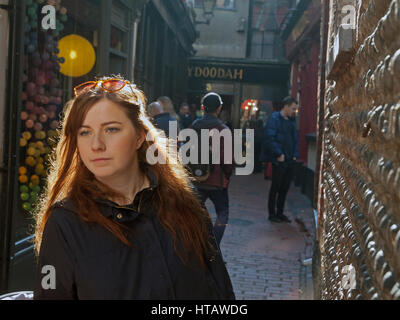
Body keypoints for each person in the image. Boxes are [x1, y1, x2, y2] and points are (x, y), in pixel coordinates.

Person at [33, 77, 235, 300]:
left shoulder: (184, 202)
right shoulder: (65, 221)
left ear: (139, 136)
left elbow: (220, 287)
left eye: (111, 129)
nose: (96, 145)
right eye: (85, 132)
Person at [190, 92, 233, 247]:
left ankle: (197, 244)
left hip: (196, 179)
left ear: (203, 107)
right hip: (217, 181)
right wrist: (227, 175)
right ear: (219, 108)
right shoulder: (223, 130)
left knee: (196, 213)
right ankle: (213, 245)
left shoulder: (193, 126)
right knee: (223, 213)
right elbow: (227, 161)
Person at [260, 96, 299, 223]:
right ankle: (272, 214)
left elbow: (295, 139)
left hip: (289, 160)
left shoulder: (292, 121)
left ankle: (280, 213)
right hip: (279, 160)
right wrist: (279, 154)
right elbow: (269, 138)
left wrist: (295, 154)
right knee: (275, 188)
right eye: (293, 108)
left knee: (284, 188)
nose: (295, 111)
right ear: (286, 106)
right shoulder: (275, 118)